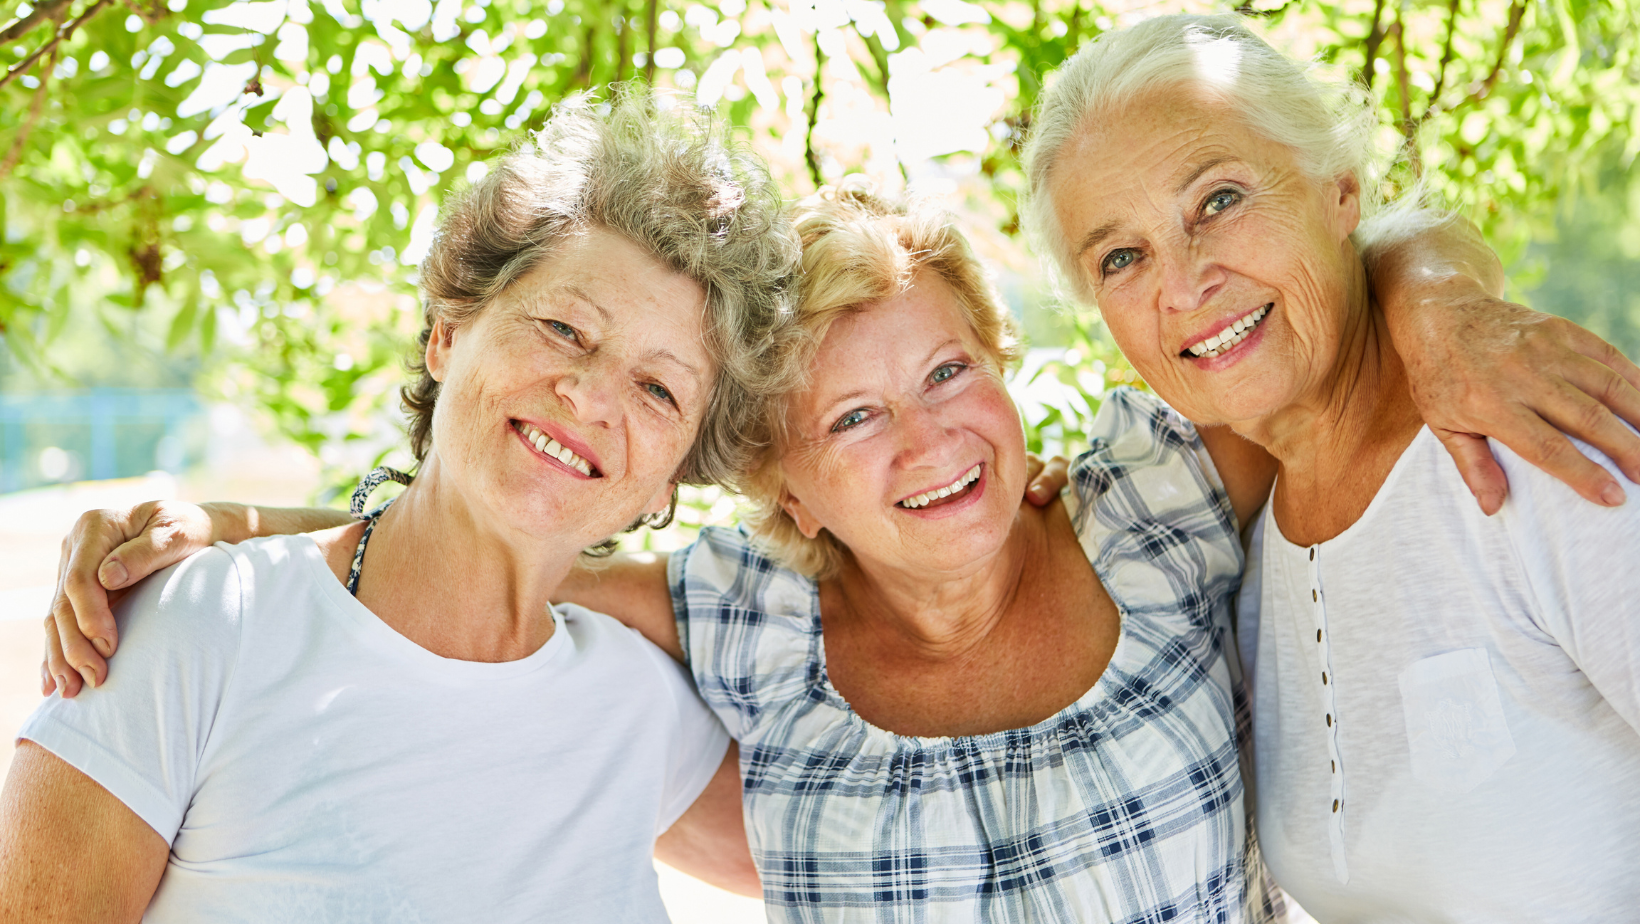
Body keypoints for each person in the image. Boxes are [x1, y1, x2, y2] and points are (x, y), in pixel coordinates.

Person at [38, 174, 1640, 922]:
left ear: (1011, 381)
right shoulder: (736, 621)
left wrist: (1456, 307)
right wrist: (228, 529)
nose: (930, 438)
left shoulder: (1157, 493)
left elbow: (1339, 264)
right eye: (851, 419)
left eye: (950, 373)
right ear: (783, 493)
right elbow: (489, 527)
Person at [0, 88, 802, 922]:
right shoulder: (198, 622)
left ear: (670, 480)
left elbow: (888, 843)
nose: (593, 397)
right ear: (448, 332)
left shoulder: (644, 707)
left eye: (658, 389)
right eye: (565, 328)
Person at [1021, 13, 1640, 921]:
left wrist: (1434, 288)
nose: (1185, 284)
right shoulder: (1239, 544)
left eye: (1220, 200)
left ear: (1339, 189)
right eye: (1123, 256)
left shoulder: (1534, 448)